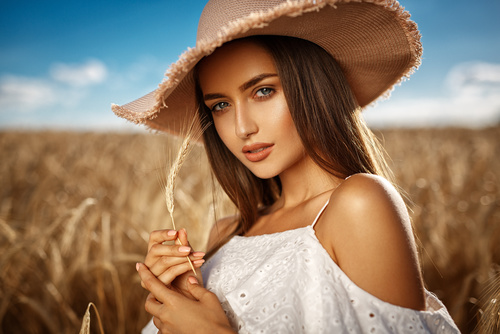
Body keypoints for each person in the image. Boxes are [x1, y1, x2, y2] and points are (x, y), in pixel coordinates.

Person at [113, 0, 461, 333]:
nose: (241, 128)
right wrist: (179, 300)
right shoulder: (225, 234)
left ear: (315, 86)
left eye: (263, 91)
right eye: (220, 105)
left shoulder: (360, 204)